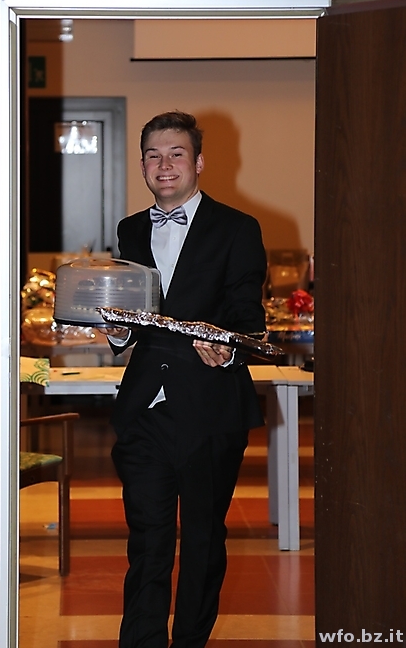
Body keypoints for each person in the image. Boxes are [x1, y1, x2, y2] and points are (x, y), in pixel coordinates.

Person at [107, 111, 267, 648]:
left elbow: (248, 318)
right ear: (142, 166)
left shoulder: (238, 228)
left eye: (176, 153)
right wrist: (118, 331)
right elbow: (134, 317)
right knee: (147, 541)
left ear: (198, 162)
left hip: (210, 408)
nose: (164, 164)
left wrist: (227, 349)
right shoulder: (130, 229)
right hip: (144, 411)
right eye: (153, 155)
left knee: (202, 540)